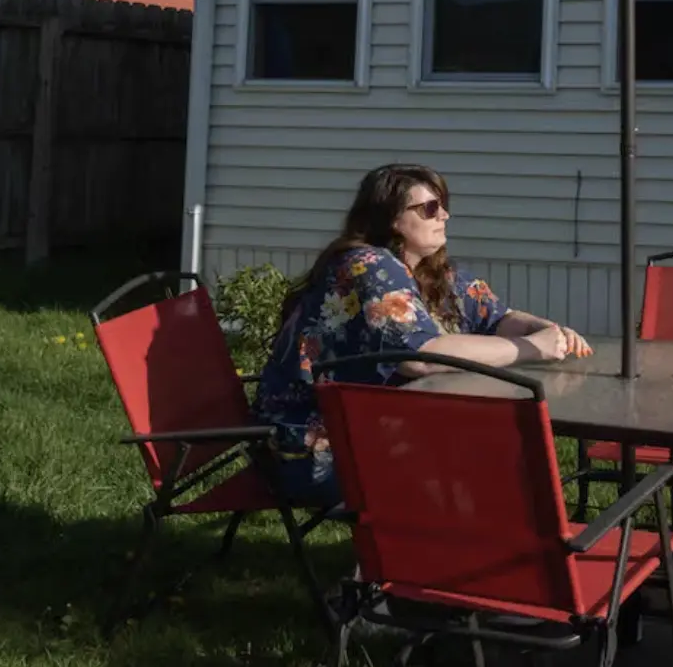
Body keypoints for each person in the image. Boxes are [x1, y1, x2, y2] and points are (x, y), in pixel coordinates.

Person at [250, 163, 591, 505]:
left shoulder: (431, 270)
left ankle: (449, 547)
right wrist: (529, 348)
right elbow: (420, 357)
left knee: (484, 448)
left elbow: (496, 317)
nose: (443, 215)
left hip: (371, 432)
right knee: (481, 455)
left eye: (443, 205)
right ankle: (443, 549)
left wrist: (546, 330)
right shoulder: (368, 265)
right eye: (429, 208)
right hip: (312, 451)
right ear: (392, 218)